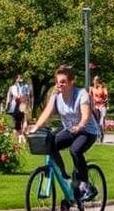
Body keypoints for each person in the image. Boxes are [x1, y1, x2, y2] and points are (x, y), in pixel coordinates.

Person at [30, 65, 100, 201]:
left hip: (87, 131)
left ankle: (85, 186)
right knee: (50, 143)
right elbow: (47, 113)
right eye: (57, 82)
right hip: (70, 130)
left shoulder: (81, 94)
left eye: (63, 82)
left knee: (75, 150)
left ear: (71, 81)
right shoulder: (56, 95)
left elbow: (86, 115)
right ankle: (65, 178)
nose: (59, 85)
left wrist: (80, 125)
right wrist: (35, 127)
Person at [5, 73, 32, 144]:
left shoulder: (25, 87)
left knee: (24, 122)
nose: (20, 80)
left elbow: (28, 97)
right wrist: (7, 106)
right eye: (18, 78)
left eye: (21, 78)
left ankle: (23, 137)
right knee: (16, 123)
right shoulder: (11, 88)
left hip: (23, 106)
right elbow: (8, 98)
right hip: (14, 107)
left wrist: (28, 106)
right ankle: (17, 140)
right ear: (15, 79)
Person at [90, 75, 109, 142]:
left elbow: (106, 96)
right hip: (95, 106)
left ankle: (101, 134)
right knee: (96, 122)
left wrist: (106, 101)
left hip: (102, 106)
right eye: (95, 80)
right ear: (93, 81)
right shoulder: (91, 89)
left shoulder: (103, 88)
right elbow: (89, 97)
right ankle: (98, 135)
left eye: (97, 80)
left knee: (101, 122)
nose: (96, 81)